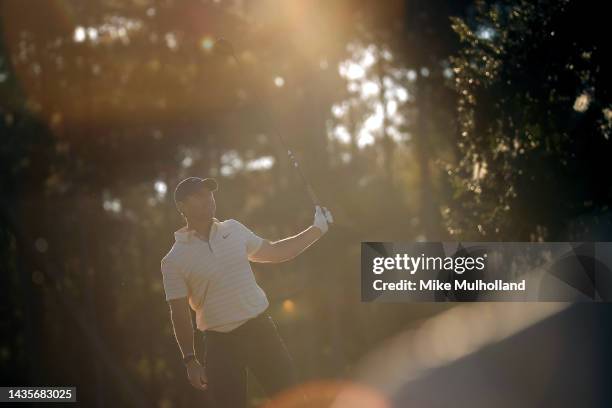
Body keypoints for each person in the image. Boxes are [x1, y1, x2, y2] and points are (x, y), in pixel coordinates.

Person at [160, 176, 333, 407]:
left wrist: (317, 229)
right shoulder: (174, 259)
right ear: (182, 206)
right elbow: (179, 314)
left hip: (261, 330)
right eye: (199, 196)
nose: (208, 199)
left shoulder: (233, 229)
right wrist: (190, 360)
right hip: (220, 343)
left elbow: (276, 252)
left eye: (209, 194)